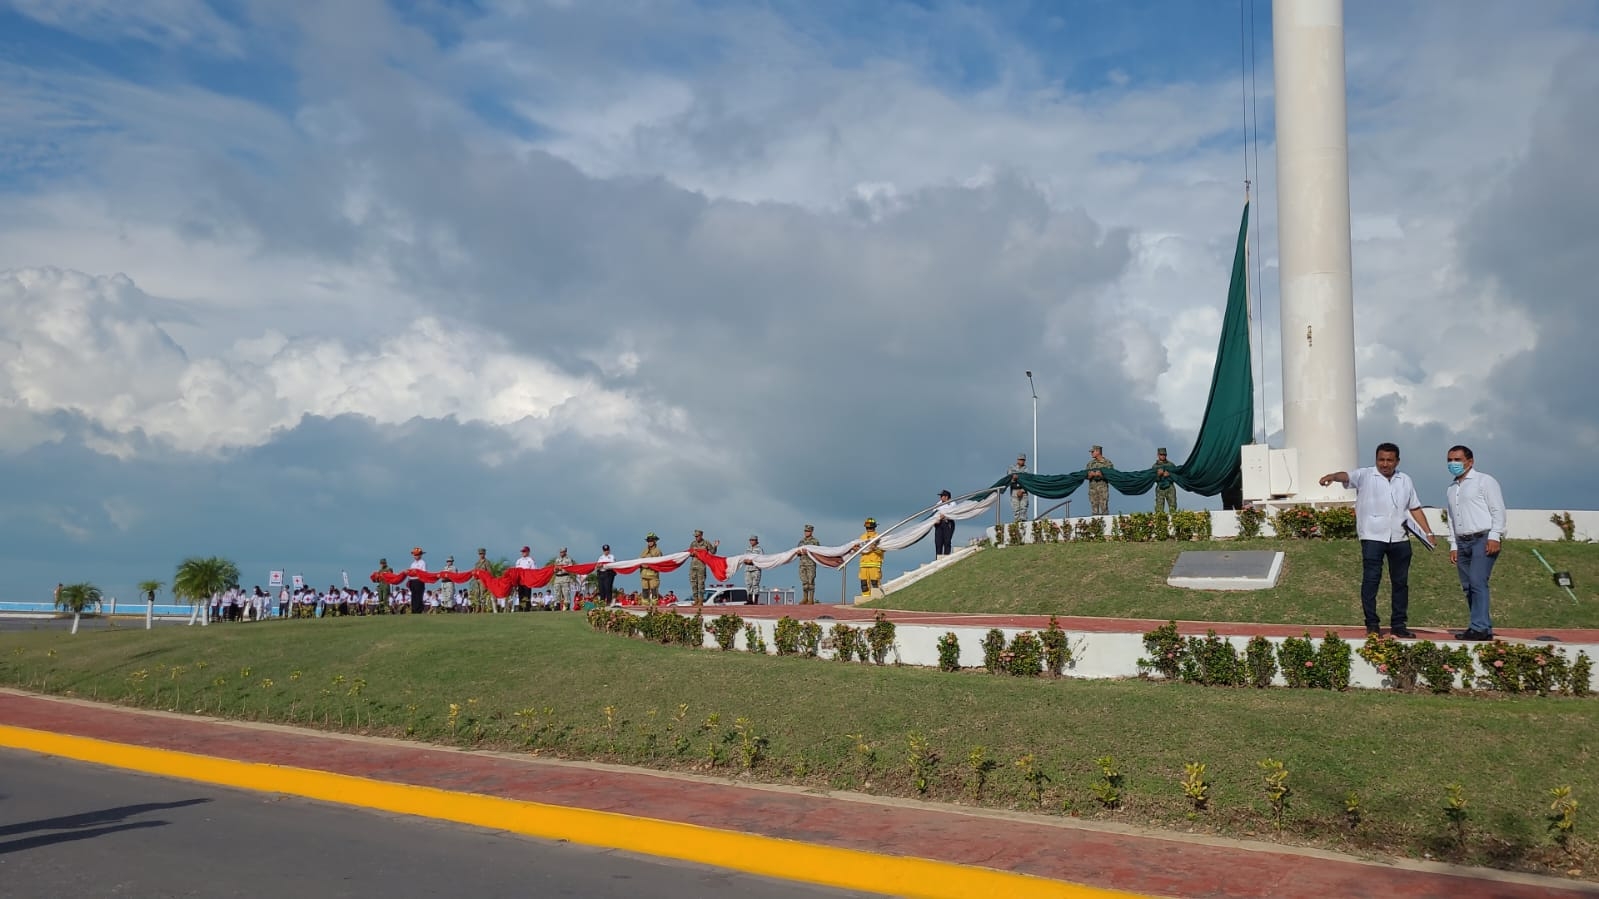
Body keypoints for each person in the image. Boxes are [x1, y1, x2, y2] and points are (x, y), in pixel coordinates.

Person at [1319, 443, 1435, 638]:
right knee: (1371, 580)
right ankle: (1372, 623)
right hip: (1373, 537)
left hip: (1399, 537)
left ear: (1397, 461)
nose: (1385, 464)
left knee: (1400, 582)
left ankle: (1399, 624)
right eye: (1381, 459)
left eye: (1389, 460)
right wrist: (1332, 477)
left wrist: (1428, 532)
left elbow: (1414, 507)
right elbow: (1346, 476)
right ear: (1376, 460)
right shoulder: (1366, 475)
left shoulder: (1405, 480)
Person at [1445, 445, 1506, 641]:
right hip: (1462, 541)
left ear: (1470, 461)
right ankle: (1481, 626)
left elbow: (1497, 509)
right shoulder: (1452, 489)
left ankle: (1478, 626)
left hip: (1482, 537)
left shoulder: (1484, 481)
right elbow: (1452, 518)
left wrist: (1495, 535)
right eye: (1450, 460)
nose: (1453, 464)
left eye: (1457, 460)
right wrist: (1453, 544)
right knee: (1467, 585)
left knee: (1478, 581)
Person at [688, 529, 718, 607]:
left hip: (701, 565)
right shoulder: (693, 543)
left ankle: (700, 600)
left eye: (697, 536)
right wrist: (692, 553)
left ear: (701, 535)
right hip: (693, 565)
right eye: (695, 536)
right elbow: (689, 553)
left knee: (701, 583)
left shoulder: (706, 543)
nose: (696, 538)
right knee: (693, 583)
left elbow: (713, 552)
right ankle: (695, 600)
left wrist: (715, 546)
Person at [858, 517, 884, 598]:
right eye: (868, 527)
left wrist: (875, 549)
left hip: (874, 564)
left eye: (870, 527)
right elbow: (860, 549)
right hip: (864, 564)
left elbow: (882, 550)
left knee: (875, 582)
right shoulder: (862, 537)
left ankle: (875, 598)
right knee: (864, 583)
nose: (869, 529)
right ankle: (865, 598)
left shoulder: (878, 537)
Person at [1086, 445, 1114, 516]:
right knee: (1094, 509)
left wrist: (1101, 475)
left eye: (1093, 451)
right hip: (1093, 489)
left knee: (1104, 508)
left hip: (1103, 489)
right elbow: (1085, 475)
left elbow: (1112, 475)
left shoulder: (1107, 463)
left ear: (1098, 451)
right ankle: (1095, 525)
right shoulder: (1090, 464)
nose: (1091, 453)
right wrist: (1090, 475)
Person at [797, 524, 820, 604]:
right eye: (805, 531)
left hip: (811, 563)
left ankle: (811, 599)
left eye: (808, 531)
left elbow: (818, 552)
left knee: (811, 581)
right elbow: (797, 553)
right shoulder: (801, 541)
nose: (806, 533)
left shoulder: (815, 541)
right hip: (802, 563)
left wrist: (808, 552)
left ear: (811, 532)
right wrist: (799, 553)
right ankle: (805, 598)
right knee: (804, 581)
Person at [1153, 448, 1177, 515]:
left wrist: (1170, 474)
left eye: (1164, 454)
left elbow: (1177, 475)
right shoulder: (1155, 466)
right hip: (1160, 487)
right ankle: (1160, 521)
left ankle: (1173, 520)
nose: (1163, 456)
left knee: (1173, 505)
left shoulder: (1171, 465)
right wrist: (1158, 475)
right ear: (1158, 455)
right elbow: (1152, 478)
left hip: (1170, 487)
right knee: (1159, 507)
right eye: (1161, 454)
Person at [639, 533, 663, 602]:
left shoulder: (657, 551)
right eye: (648, 541)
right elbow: (639, 560)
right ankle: (645, 607)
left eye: (651, 540)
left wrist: (649, 564)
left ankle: (654, 608)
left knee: (654, 591)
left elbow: (660, 562)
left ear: (655, 541)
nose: (650, 542)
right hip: (644, 574)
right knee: (645, 592)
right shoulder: (644, 551)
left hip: (653, 574)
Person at [933, 490, 957, 556]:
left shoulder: (952, 503)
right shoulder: (938, 503)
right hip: (939, 524)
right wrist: (936, 519)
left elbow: (952, 512)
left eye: (942, 496)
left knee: (947, 541)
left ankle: (946, 556)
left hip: (947, 523)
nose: (941, 497)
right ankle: (938, 557)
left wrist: (945, 515)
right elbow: (934, 512)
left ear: (946, 497)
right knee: (938, 542)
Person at [513, 545, 536, 611]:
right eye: (522, 551)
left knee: (527, 595)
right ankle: (521, 608)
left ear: (528, 552)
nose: (523, 553)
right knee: (520, 595)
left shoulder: (531, 560)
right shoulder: (518, 561)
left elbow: (534, 570)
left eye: (524, 551)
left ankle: (527, 609)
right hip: (520, 580)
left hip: (527, 580)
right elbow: (516, 571)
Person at [406, 547, 428, 614]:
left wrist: (417, 573)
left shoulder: (423, 563)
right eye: (414, 555)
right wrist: (409, 580)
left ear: (420, 555)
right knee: (413, 596)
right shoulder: (412, 564)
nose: (415, 556)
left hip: (419, 581)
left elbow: (424, 572)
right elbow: (410, 573)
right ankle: (413, 610)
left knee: (419, 596)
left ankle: (418, 610)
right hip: (412, 581)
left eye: (417, 554)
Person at [1008, 454, 1029, 523]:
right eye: (1020, 459)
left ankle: (1023, 522)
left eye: (1023, 460)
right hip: (1014, 490)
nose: (1022, 461)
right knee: (1016, 509)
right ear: (1017, 460)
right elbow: (1008, 479)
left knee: (1023, 508)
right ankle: (1017, 523)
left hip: (1023, 490)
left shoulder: (1026, 469)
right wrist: (1013, 478)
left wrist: (1022, 490)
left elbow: (1029, 481)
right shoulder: (1011, 468)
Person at [743, 536, 763, 603]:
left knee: (755, 584)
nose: (751, 541)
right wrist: (745, 561)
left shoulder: (759, 549)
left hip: (756, 569)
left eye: (753, 540)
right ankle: (749, 600)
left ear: (756, 541)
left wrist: (752, 561)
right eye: (750, 540)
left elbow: (761, 558)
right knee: (748, 584)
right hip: (748, 569)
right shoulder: (747, 549)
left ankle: (756, 600)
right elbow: (744, 557)